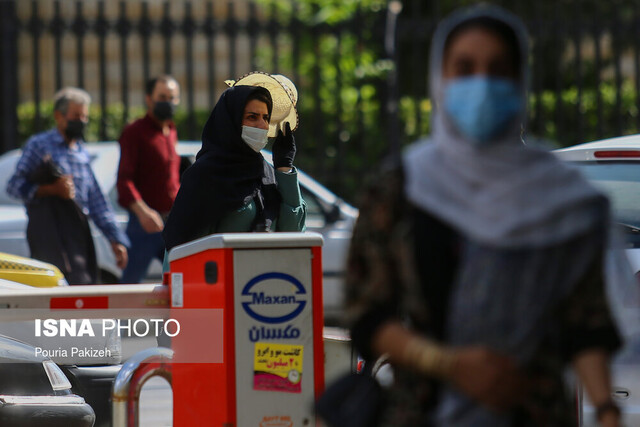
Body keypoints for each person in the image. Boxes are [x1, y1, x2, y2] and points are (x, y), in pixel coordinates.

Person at [344, 6, 622, 427]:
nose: (482, 83)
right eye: (465, 68)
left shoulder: (559, 196)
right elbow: (367, 314)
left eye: (498, 69)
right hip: (426, 410)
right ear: (441, 80)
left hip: (534, 412)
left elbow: (586, 325)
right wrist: (449, 364)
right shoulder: (401, 189)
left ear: (520, 80)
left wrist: (606, 410)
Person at [163, 73, 305, 252]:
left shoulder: (267, 174)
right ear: (231, 122)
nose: (262, 125)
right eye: (252, 117)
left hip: (268, 276)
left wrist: (284, 169)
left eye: (266, 118)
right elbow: (184, 248)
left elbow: (294, 235)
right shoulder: (205, 176)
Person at [7, 87, 129, 284]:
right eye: (75, 116)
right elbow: (14, 186)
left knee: (83, 288)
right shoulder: (39, 146)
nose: (80, 121)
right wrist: (51, 190)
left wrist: (115, 239)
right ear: (59, 116)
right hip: (49, 234)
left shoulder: (81, 151)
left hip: (77, 235)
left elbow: (96, 201)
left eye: (84, 117)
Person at [117, 75, 181, 283]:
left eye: (172, 98)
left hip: (171, 223)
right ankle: (119, 318)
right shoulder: (135, 132)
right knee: (130, 286)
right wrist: (143, 213)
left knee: (178, 283)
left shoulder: (170, 130)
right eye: (162, 97)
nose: (167, 102)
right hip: (143, 225)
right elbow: (124, 181)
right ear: (149, 99)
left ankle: (173, 318)